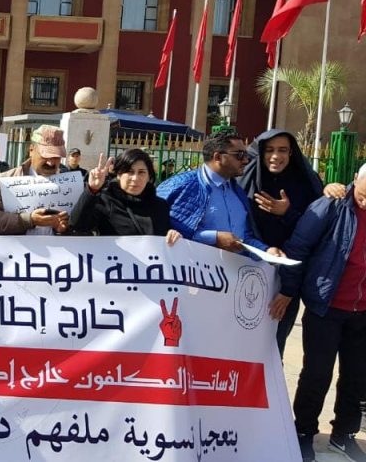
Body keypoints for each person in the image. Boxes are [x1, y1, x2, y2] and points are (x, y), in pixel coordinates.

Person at [277, 163, 366, 462]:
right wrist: (289, 290)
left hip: (362, 311)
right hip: (325, 306)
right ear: (355, 179)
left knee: (356, 375)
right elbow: (298, 247)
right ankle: (304, 432)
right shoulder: (331, 204)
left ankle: (344, 434)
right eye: (363, 194)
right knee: (316, 374)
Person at [238, 128, 327, 355]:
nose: (276, 156)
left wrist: (287, 213)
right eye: (269, 150)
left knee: (274, 346)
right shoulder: (243, 179)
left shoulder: (305, 183)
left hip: (288, 276)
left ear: (291, 153)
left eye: (282, 150)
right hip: (245, 271)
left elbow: (315, 231)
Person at [156, 131, 283, 258]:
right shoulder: (180, 185)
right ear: (218, 157)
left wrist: (266, 251)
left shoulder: (238, 192)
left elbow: (244, 238)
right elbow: (159, 228)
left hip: (232, 269)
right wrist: (214, 238)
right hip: (191, 267)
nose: (246, 160)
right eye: (239, 155)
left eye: (246, 155)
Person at [69, 149, 180, 244]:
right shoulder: (105, 201)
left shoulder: (160, 206)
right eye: (129, 172)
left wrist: (172, 235)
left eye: (141, 172)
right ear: (119, 175)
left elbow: (164, 237)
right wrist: (92, 190)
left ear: (149, 176)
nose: (135, 178)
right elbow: (78, 225)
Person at [0, 125, 70, 235]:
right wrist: (29, 220)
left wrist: (63, 228)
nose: (50, 163)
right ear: (31, 150)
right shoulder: (2, 181)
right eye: (45, 156)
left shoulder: (70, 184)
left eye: (56, 157)